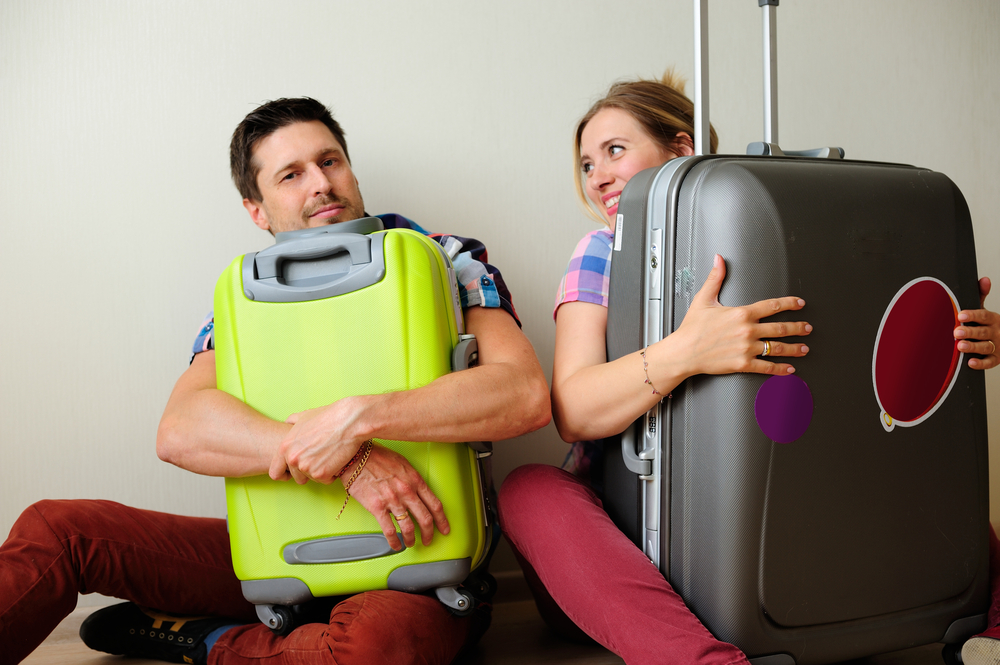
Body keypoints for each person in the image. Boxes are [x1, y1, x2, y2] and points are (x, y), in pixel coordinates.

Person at [0, 97, 551, 665]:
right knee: (58, 529)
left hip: (417, 559)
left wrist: (356, 420)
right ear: (257, 210)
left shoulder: (448, 260)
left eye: (330, 161)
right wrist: (347, 462)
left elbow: (524, 395)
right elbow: (181, 431)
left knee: (374, 648)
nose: (320, 183)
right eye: (291, 174)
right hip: (276, 557)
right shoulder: (242, 299)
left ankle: (207, 639)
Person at [497, 71, 1000, 665]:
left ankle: (988, 631)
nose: (598, 176)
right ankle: (699, 658)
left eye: (614, 151)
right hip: (618, 559)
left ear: (681, 151)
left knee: (931, 476)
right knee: (528, 490)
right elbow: (575, 412)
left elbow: (857, 377)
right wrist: (689, 351)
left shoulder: (774, 240)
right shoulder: (600, 253)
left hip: (758, 540)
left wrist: (960, 338)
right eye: (586, 164)